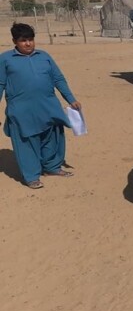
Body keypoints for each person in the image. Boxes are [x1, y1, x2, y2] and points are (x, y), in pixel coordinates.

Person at [0, 23, 82, 189]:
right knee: (26, 143)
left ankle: (52, 167)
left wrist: (70, 99)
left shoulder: (44, 56)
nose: (28, 44)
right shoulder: (5, 59)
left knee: (53, 137)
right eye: (23, 40)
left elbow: (58, 79)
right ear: (15, 41)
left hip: (48, 106)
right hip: (22, 110)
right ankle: (31, 176)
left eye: (31, 39)